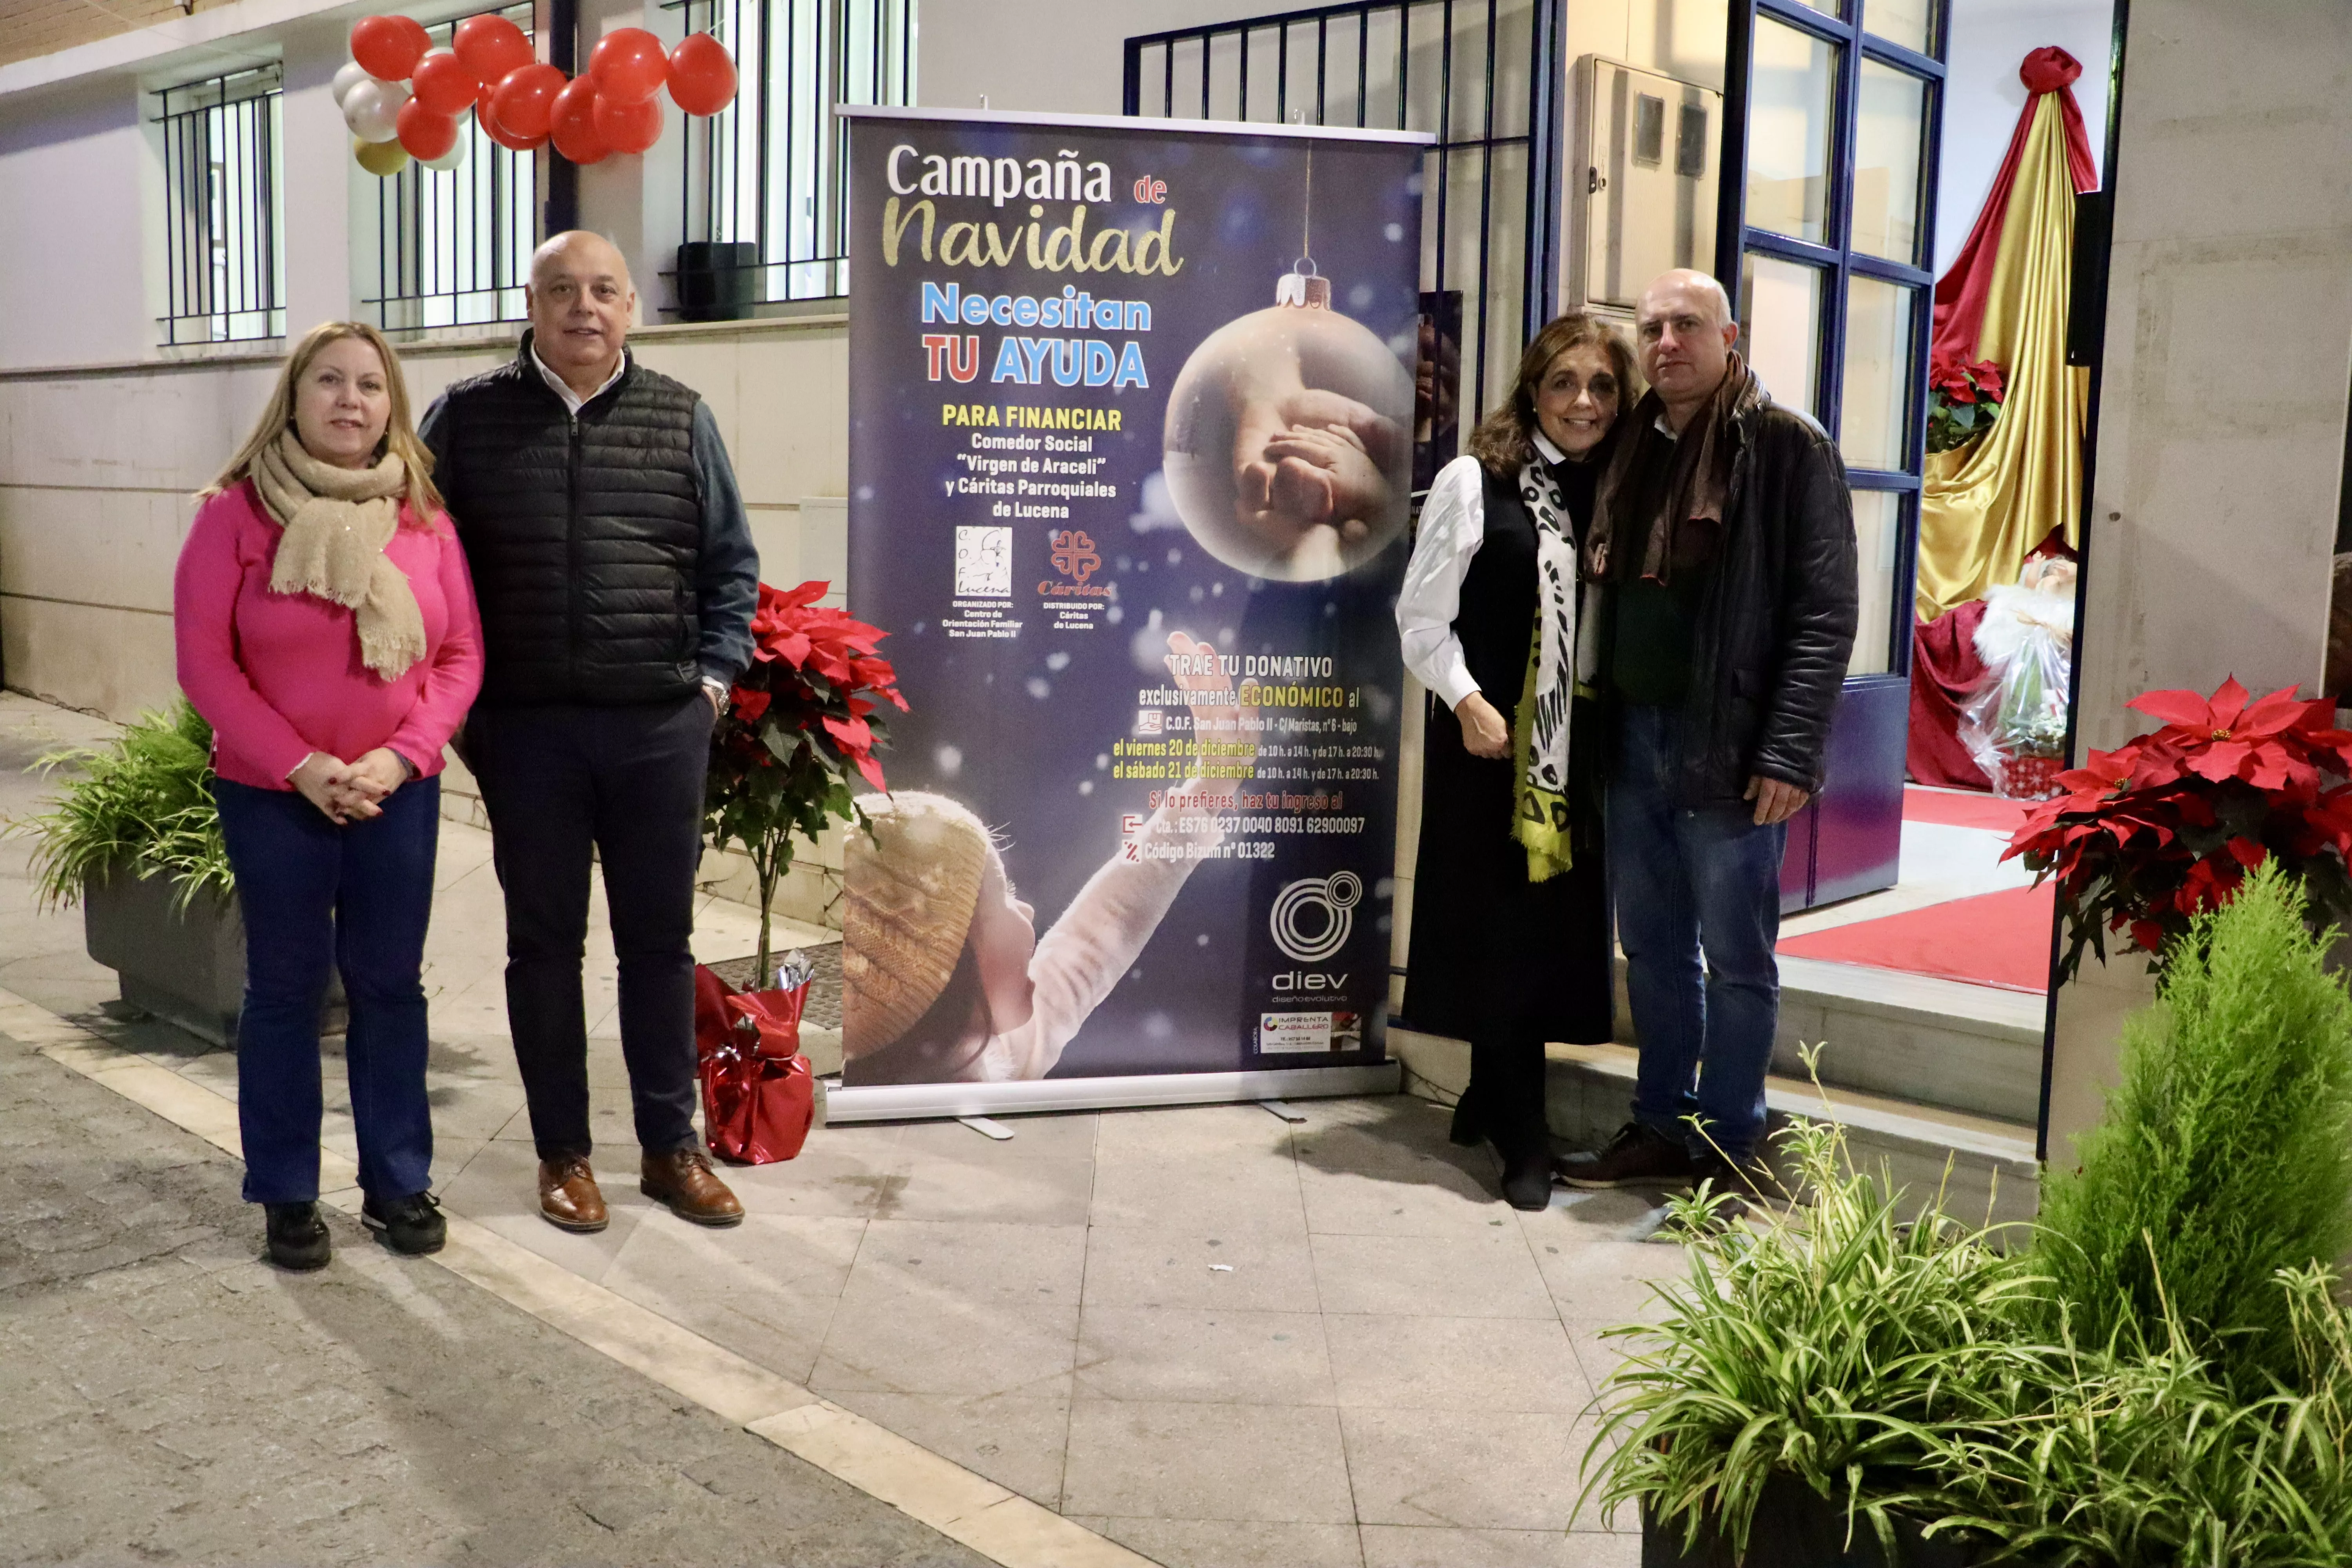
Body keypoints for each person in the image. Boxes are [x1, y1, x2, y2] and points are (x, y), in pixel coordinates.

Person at [418, 231, 759, 1234]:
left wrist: (709, 686)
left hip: (659, 725)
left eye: (605, 290)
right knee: (543, 948)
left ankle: (669, 1145)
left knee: (661, 945)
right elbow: (421, 564)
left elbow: (730, 565)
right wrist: (469, 712)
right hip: (527, 732)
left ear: (631, 309)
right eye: (562, 290)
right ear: (530, 302)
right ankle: (562, 1153)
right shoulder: (468, 420)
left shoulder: (681, 417)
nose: (584, 308)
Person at [174, 321, 484, 1271]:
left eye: (371, 385)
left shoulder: (425, 516)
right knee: (285, 988)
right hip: (275, 793)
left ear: (392, 404)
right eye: (330, 382)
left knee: (390, 985)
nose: (351, 401)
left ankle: (396, 1180)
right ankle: (287, 1191)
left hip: (398, 791)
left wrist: (403, 756)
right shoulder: (232, 512)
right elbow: (205, 664)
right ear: (294, 396)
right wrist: (299, 763)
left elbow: (459, 652)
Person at [1557, 269, 1858, 1199]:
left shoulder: (1784, 446)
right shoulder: (1630, 446)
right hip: (1633, 737)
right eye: (1651, 328)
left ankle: (1728, 1139)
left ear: (1733, 336)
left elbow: (1824, 612)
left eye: (1688, 324)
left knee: (1736, 956)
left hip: (1729, 745)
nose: (1665, 343)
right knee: (1651, 946)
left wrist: (1789, 750)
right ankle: (1659, 1124)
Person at [1396, 313, 1634, 1209]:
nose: (1582, 400)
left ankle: (1493, 1097)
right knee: (1495, 932)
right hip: (1487, 738)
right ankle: (1520, 1129)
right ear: (1532, 387)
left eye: (1602, 385)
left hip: (1576, 753)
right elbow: (1421, 618)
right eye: (1564, 381)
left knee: (1548, 936)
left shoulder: (1618, 490)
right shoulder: (1475, 479)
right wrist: (1465, 699)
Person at [841, 632, 1241, 1083]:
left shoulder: (986, 1045)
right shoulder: (977, 1078)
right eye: (1003, 896)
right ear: (946, 972)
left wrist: (1212, 786)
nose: (1027, 908)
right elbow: (1093, 943)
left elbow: (1097, 938)